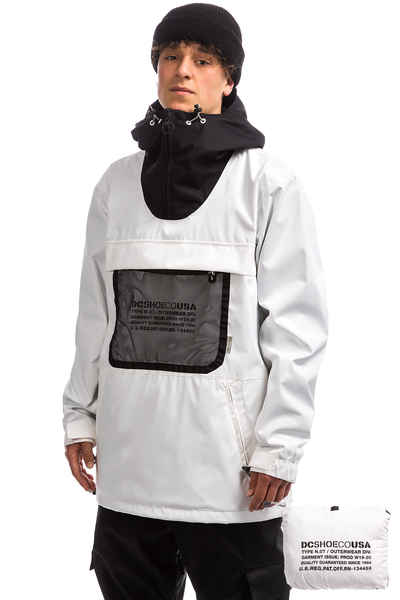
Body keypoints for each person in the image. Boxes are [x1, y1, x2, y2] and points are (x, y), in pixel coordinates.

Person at [62, 3, 329, 598]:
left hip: (232, 482)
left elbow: (297, 329)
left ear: (229, 79)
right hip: (129, 474)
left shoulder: (266, 182)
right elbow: (95, 313)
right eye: (170, 56)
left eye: (203, 60)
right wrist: (79, 413)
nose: (183, 69)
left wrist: (280, 449)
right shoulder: (116, 184)